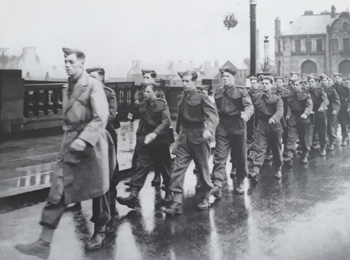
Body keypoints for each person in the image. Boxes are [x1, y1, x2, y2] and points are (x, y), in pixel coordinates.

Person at [15, 48, 115, 258]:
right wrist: (72, 140)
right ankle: (44, 242)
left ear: (82, 63)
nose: (67, 65)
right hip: (70, 143)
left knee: (99, 190)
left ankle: (100, 230)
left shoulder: (93, 85)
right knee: (58, 189)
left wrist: (83, 139)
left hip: (92, 144)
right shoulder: (66, 87)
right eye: (65, 62)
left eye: (71, 62)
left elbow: (101, 117)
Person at [163, 70, 219, 214]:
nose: (184, 84)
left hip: (199, 137)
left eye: (188, 81)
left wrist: (209, 130)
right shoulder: (181, 97)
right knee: (178, 168)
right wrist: (177, 137)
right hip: (184, 138)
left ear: (194, 82)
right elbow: (180, 120)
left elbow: (212, 115)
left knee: (203, 169)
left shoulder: (202, 97)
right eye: (183, 81)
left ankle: (207, 196)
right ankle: (176, 203)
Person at [117, 82, 172, 209]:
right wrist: (140, 137)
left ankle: (169, 192)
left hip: (160, 141)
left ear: (155, 92)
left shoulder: (162, 104)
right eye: (144, 92)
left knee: (165, 167)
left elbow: (166, 122)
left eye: (148, 91)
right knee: (141, 166)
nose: (145, 94)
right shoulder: (142, 104)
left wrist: (154, 134)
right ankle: (133, 196)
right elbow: (141, 120)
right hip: (146, 141)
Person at [211, 67, 254, 198]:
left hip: (238, 125)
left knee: (240, 156)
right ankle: (217, 184)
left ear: (233, 78)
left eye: (228, 76)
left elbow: (249, 106)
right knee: (219, 156)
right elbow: (214, 110)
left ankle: (240, 181)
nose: (225, 78)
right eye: (224, 76)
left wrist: (246, 115)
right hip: (223, 126)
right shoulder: (218, 92)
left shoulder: (241, 91)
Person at [87, 67, 120, 219]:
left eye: (93, 76)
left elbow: (111, 115)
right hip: (92, 134)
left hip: (107, 133)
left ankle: (111, 192)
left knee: (110, 165)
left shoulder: (108, 93)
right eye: (89, 76)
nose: (90, 79)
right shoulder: (86, 92)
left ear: (101, 78)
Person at [248, 76, 284, 180]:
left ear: (271, 85)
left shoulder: (276, 98)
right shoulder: (256, 97)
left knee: (276, 149)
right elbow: (253, 110)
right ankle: (255, 171)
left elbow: (280, 111)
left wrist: (274, 118)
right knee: (260, 148)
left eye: (267, 83)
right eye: (263, 83)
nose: (264, 85)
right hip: (262, 125)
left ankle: (278, 168)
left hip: (274, 125)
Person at [284, 80, 313, 165]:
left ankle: (305, 155)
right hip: (293, 118)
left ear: (301, 86)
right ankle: (289, 157)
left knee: (304, 138)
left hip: (303, 118)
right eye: (294, 85)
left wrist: (305, 113)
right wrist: (288, 114)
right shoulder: (290, 96)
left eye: (297, 85)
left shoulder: (305, 95)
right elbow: (288, 106)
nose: (295, 86)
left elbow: (309, 105)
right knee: (291, 137)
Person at [308, 75, 329, 156]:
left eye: (312, 82)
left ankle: (323, 147)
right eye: (309, 82)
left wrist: (322, 107)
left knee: (322, 131)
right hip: (311, 113)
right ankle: (308, 147)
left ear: (316, 82)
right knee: (309, 131)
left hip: (320, 113)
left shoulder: (320, 90)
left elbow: (325, 100)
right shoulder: (307, 91)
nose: (310, 83)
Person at [320, 74, 340, 151]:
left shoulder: (331, 90)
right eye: (322, 80)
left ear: (327, 81)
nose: (323, 82)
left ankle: (331, 142)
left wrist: (335, 109)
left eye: (325, 80)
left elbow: (337, 101)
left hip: (330, 111)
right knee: (322, 128)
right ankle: (322, 144)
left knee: (330, 127)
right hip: (321, 112)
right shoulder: (319, 90)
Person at [333, 73, 350, 146]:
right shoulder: (332, 87)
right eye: (335, 78)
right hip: (335, 107)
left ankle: (344, 138)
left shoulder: (345, 87)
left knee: (344, 123)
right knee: (334, 123)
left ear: (341, 79)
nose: (337, 79)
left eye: (338, 78)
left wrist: (348, 107)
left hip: (343, 107)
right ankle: (333, 139)